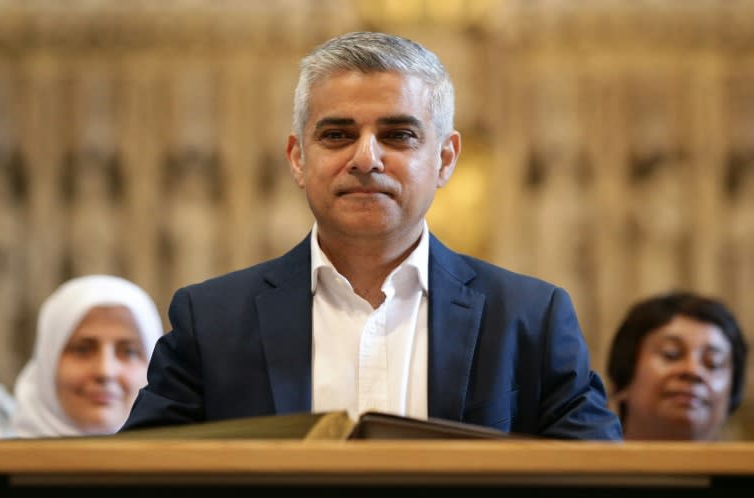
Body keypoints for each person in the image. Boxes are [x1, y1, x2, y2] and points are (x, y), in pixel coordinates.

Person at [122, 31, 621, 440]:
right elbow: (136, 476)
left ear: (445, 159)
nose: (366, 158)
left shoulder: (530, 318)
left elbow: (600, 477)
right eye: (337, 135)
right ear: (298, 158)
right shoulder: (210, 321)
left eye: (397, 135)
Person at [11, 274, 164, 437]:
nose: (105, 371)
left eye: (129, 352)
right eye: (82, 350)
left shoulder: (181, 459)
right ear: (47, 361)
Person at [606, 291, 749, 440]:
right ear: (623, 378)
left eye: (713, 363)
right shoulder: (584, 462)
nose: (693, 370)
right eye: (671, 354)